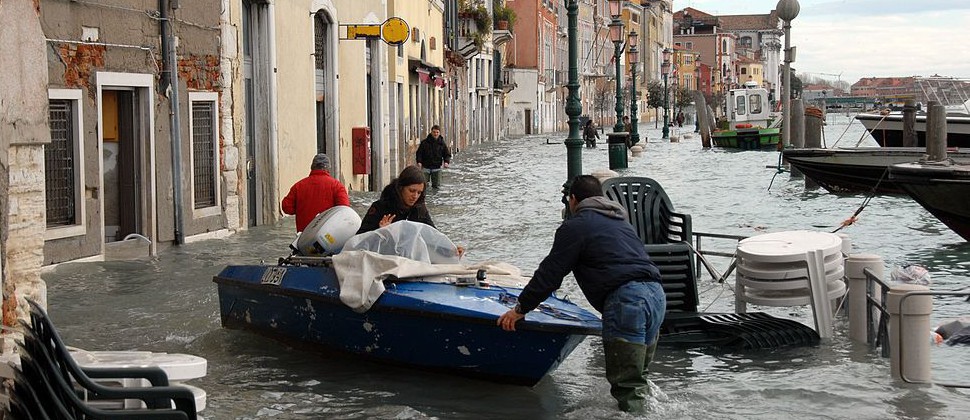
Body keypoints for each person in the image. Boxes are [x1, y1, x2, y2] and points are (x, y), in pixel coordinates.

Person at [497, 175, 666, 413]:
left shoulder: (576, 226)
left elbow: (550, 274)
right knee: (640, 382)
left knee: (628, 390)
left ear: (572, 200)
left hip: (627, 301)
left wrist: (520, 309)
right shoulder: (620, 222)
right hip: (657, 297)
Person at [357, 165, 464, 256]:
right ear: (401, 188)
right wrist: (380, 232)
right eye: (412, 191)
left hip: (410, 262)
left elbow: (433, 236)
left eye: (419, 192)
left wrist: (451, 250)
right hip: (384, 260)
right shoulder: (380, 208)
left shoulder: (420, 210)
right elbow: (359, 241)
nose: (415, 196)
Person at [281, 153, 350, 232]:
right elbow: (344, 210)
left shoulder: (298, 186)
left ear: (312, 167)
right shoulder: (337, 186)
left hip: (304, 236)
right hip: (328, 237)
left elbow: (286, 208)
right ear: (328, 169)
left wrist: (302, 209)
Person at [416, 125, 452, 189]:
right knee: (423, 186)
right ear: (431, 132)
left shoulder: (442, 143)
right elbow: (419, 153)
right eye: (434, 132)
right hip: (426, 167)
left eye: (437, 132)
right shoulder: (424, 143)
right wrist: (419, 162)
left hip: (437, 167)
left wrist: (446, 162)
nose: (435, 134)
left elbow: (447, 154)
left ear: (439, 133)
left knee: (436, 186)